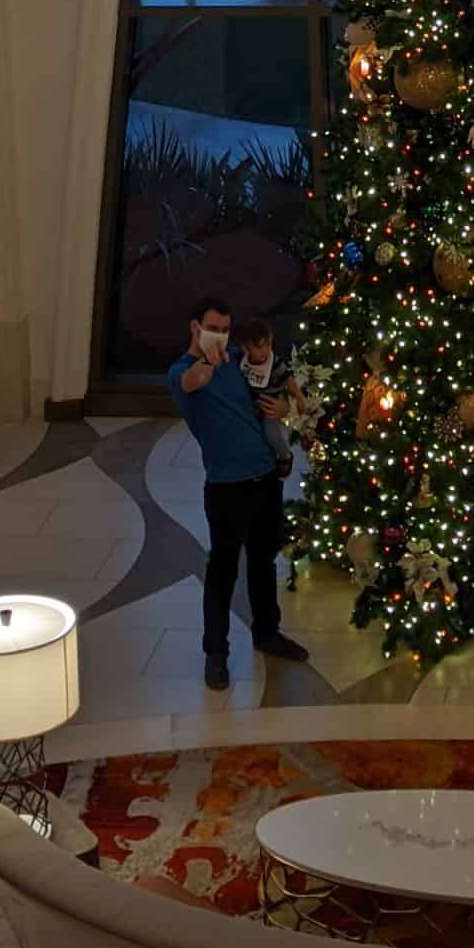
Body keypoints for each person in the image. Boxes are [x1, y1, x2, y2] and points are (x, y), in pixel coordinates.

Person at [167, 294, 309, 690]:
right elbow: (188, 382)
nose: (220, 336)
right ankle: (216, 653)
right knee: (223, 570)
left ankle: (268, 632)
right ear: (195, 327)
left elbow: (272, 395)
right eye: (213, 328)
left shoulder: (238, 365)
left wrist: (285, 412)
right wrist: (203, 368)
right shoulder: (184, 372)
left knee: (263, 562)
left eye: (226, 330)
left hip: (265, 479)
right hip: (226, 488)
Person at [234, 317, 302, 477]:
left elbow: (288, 380)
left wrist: (298, 396)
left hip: (270, 408)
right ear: (245, 348)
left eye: (269, 345)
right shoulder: (243, 363)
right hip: (253, 406)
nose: (266, 351)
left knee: (271, 434)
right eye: (259, 347)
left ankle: (285, 454)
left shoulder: (275, 363)